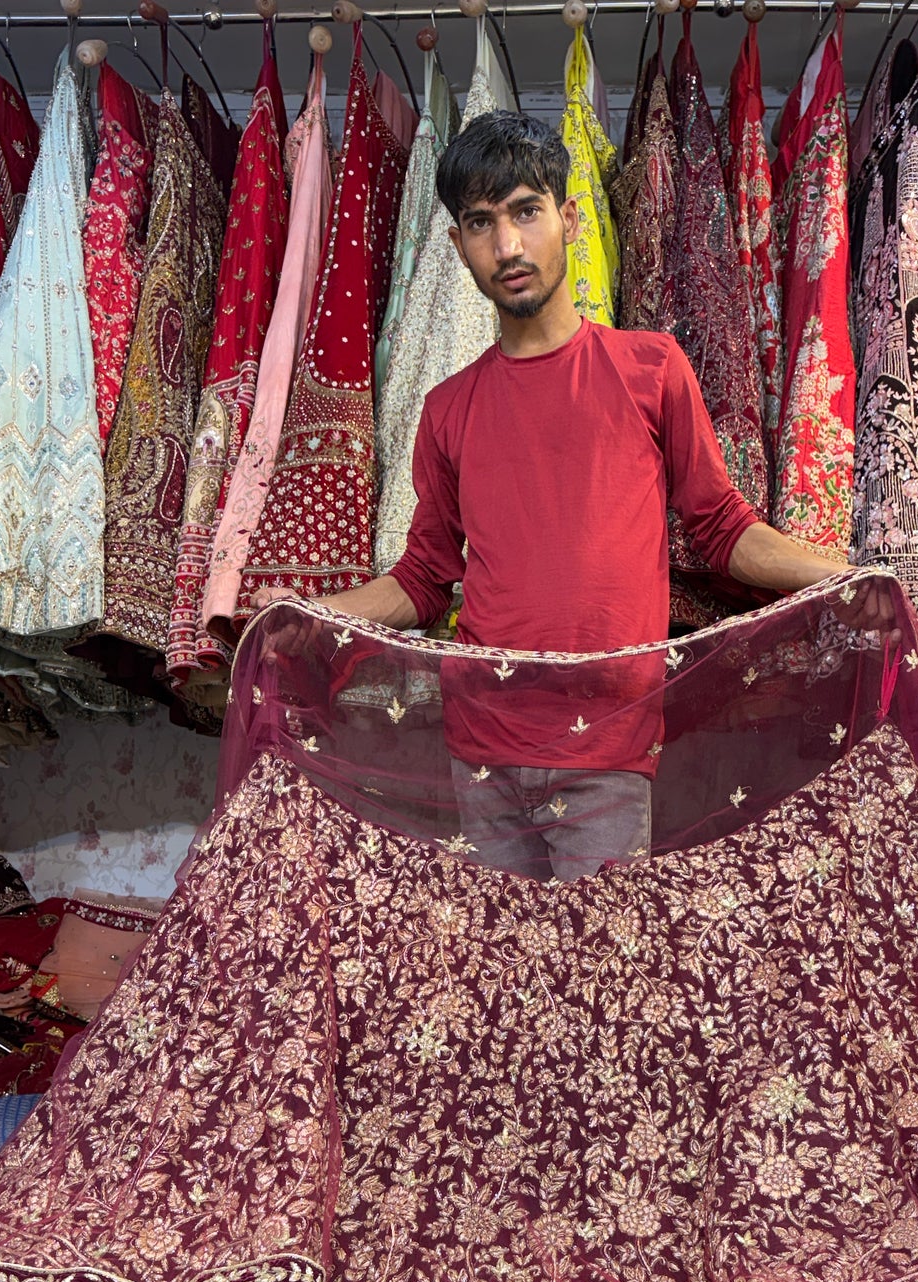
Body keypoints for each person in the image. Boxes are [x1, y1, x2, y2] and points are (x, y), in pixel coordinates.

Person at [304, 110, 843, 879]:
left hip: (607, 749)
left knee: (599, 956)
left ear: (570, 217)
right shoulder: (447, 409)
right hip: (481, 750)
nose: (507, 245)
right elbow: (422, 580)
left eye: (526, 212)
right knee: (500, 957)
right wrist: (308, 615)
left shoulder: (650, 370)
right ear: (457, 245)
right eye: (481, 223)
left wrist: (843, 576)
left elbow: (722, 529)